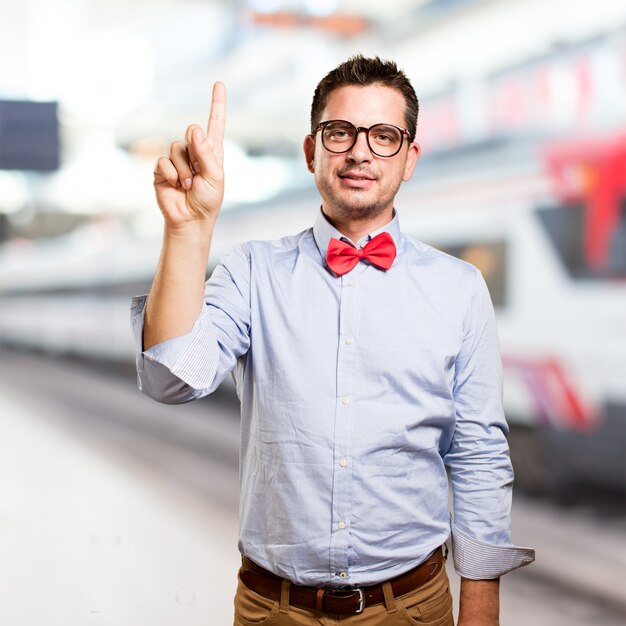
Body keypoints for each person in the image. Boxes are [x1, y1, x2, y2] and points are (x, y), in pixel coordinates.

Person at [131, 55, 534, 625]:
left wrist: (480, 609)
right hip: (273, 609)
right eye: (339, 132)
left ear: (410, 158)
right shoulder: (252, 271)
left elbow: (478, 454)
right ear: (310, 151)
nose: (360, 152)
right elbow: (169, 381)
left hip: (412, 608)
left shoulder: (459, 289)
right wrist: (187, 229)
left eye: (385, 136)